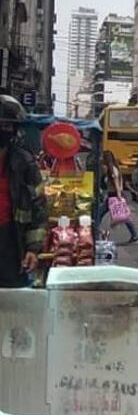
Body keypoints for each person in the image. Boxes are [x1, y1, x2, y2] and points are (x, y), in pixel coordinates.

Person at [0, 96, 47, 287]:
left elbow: (38, 208)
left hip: (11, 241)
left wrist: (33, 249)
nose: (2, 130)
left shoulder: (24, 163)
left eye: (6, 126)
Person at [101, 150, 138, 244]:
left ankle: (100, 232)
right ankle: (135, 236)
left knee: (99, 214)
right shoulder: (112, 168)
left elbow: (116, 183)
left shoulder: (112, 169)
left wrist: (119, 195)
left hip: (114, 196)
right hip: (113, 195)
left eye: (103, 158)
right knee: (125, 216)